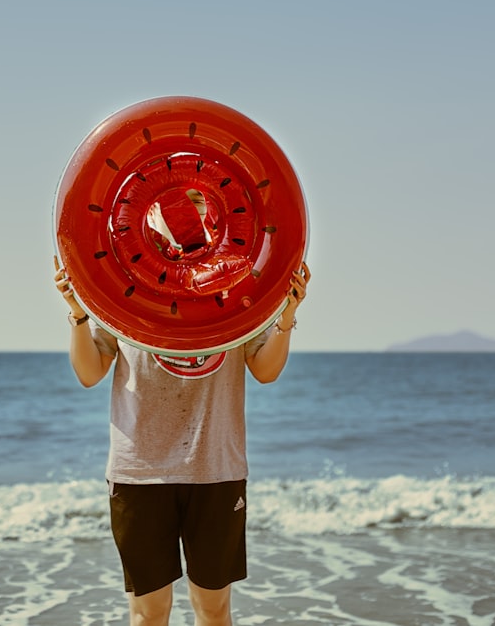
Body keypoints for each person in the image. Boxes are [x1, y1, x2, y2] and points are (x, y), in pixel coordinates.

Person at [54, 257, 310, 626]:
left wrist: (286, 316)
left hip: (216, 470)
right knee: (148, 615)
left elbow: (266, 371)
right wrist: (79, 313)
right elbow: (89, 372)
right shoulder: (125, 295)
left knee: (213, 610)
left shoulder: (234, 295)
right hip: (139, 474)